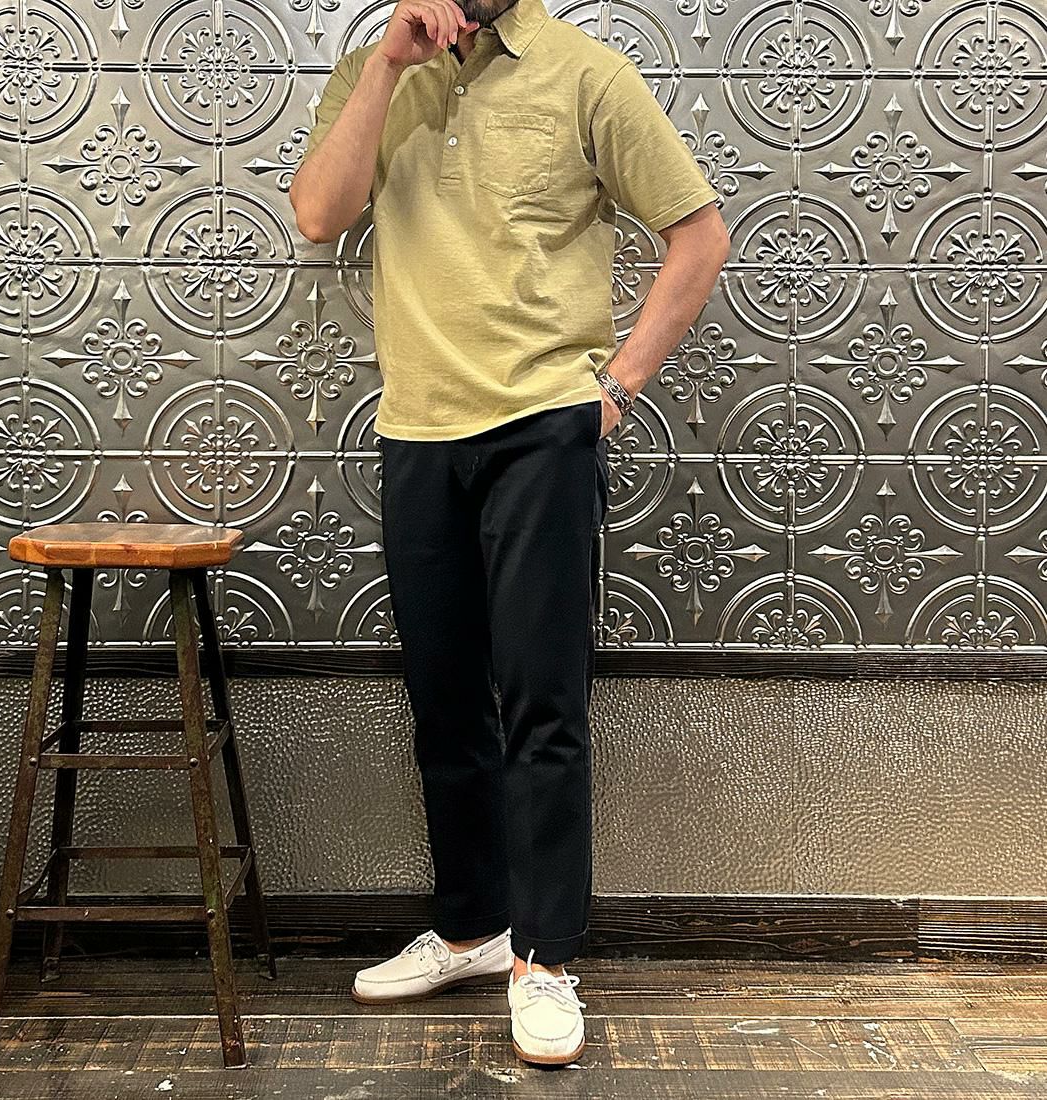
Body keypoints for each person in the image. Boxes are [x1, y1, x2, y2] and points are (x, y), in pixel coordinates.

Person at [289, 0, 730, 1067]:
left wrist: (615, 387)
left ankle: (544, 958)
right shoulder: (376, 71)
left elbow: (699, 234)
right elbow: (318, 214)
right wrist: (387, 67)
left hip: (542, 426)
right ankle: (471, 929)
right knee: (444, 701)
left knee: (542, 701)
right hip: (416, 427)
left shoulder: (586, 74)